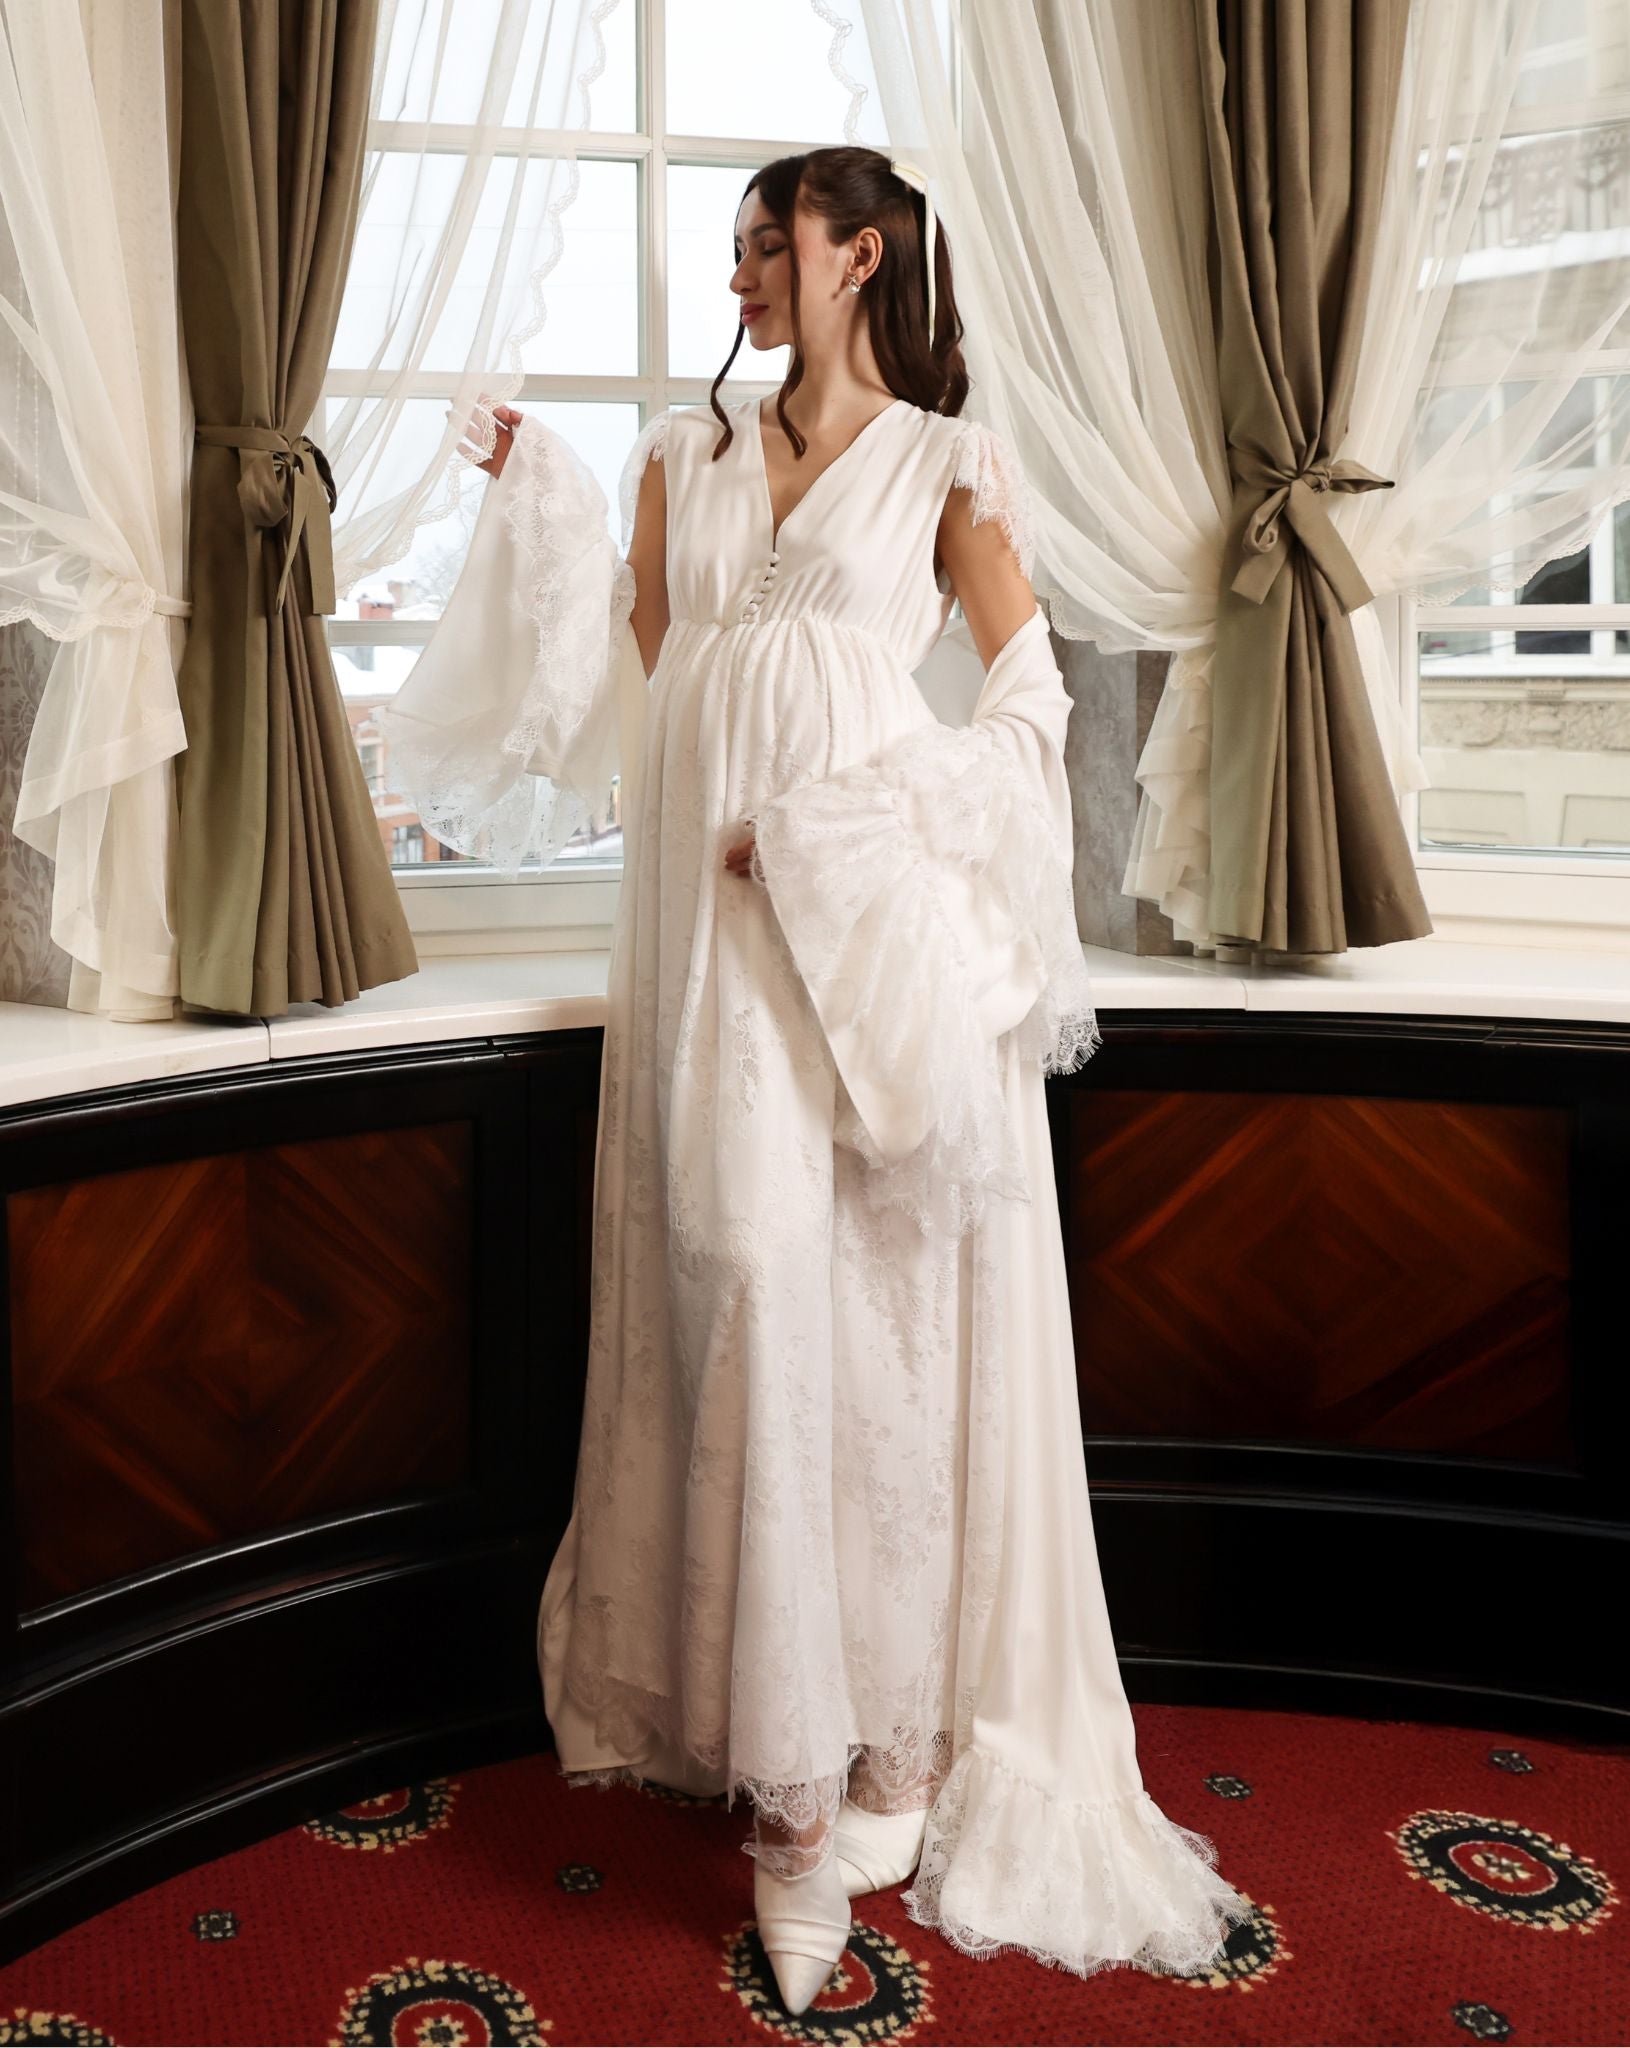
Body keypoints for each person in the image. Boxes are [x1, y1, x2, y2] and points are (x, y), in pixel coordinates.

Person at [378, 143, 1252, 2016]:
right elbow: (648, 692)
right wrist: (535, 511)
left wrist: (846, 828)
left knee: (874, 1335)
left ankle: (863, 1794)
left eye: (772, 245)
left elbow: (1030, 715)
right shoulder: (674, 464)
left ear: (865, 257)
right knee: (745, 1311)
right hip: (703, 974)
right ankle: (800, 1756)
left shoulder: (948, 467)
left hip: (872, 961)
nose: (740, 274)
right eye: (737, 243)